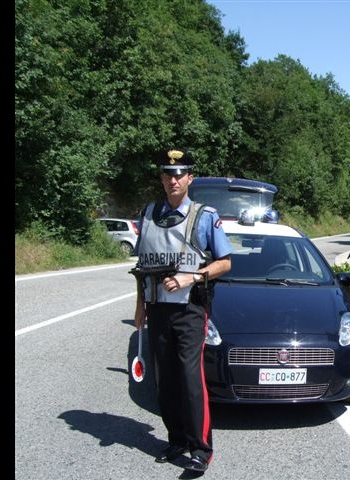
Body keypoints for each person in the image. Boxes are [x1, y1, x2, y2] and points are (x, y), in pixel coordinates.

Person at [133, 149, 232, 473]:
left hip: (190, 310)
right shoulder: (147, 215)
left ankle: (201, 448)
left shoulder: (205, 216)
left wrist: (192, 276)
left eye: (180, 174)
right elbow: (142, 267)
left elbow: (225, 262)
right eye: (168, 174)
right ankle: (176, 439)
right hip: (157, 308)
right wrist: (140, 308)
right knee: (165, 380)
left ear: (190, 178)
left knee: (190, 378)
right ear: (162, 178)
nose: (174, 179)